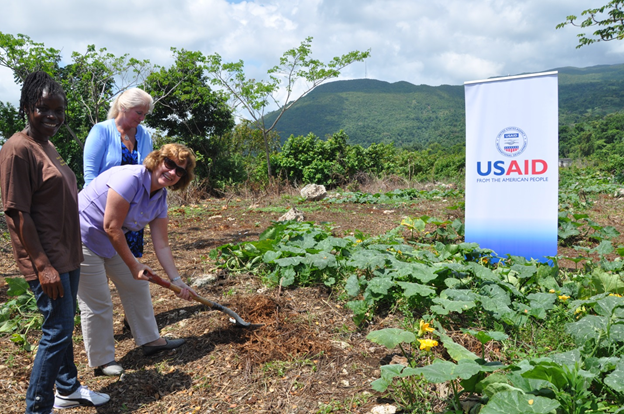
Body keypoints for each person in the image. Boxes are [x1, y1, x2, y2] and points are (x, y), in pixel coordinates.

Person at [0, 71, 109, 413]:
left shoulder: (47, 144)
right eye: (44, 109)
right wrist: (42, 265)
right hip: (46, 258)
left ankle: (68, 388)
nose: (53, 117)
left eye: (58, 110)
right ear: (27, 108)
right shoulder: (18, 149)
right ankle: (37, 407)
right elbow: (17, 212)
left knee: (62, 326)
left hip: (68, 253)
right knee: (56, 332)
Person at [77, 143, 196, 377]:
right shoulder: (130, 179)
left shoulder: (159, 198)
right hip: (79, 236)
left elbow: (161, 244)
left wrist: (177, 280)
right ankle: (103, 361)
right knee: (99, 302)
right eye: (169, 164)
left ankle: (151, 341)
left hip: (109, 239)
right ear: (157, 161)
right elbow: (111, 227)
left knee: (137, 284)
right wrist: (134, 264)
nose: (172, 172)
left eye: (179, 171)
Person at [83, 88, 154, 258]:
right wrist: (98, 213)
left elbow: (148, 173)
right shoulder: (101, 131)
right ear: (123, 107)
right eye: (139, 112)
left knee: (129, 269)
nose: (142, 118)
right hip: (103, 211)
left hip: (131, 215)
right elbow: (90, 175)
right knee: (100, 262)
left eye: (145, 114)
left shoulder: (144, 136)